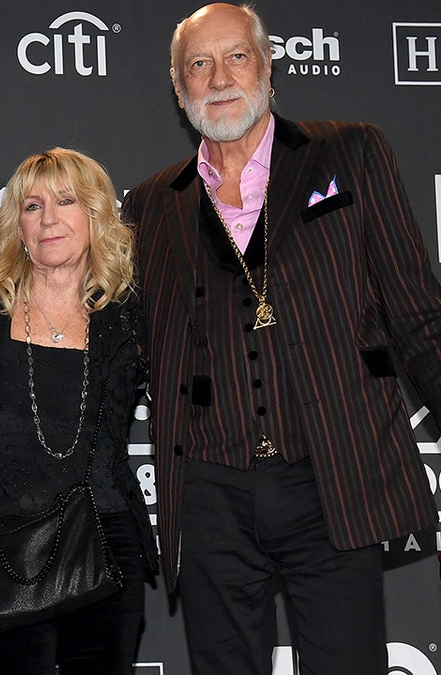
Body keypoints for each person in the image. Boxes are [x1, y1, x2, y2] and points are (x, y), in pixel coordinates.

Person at [120, 4, 441, 673]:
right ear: (179, 91)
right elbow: (129, 341)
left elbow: (417, 313)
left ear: (267, 68)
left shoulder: (350, 152)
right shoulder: (149, 204)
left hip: (333, 477)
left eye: (235, 55)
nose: (218, 77)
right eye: (197, 65)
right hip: (210, 492)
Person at [0, 149, 156, 674]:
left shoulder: (132, 317)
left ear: (97, 216)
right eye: (33, 206)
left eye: (67, 201)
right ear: (17, 224)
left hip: (107, 549)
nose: (50, 219)